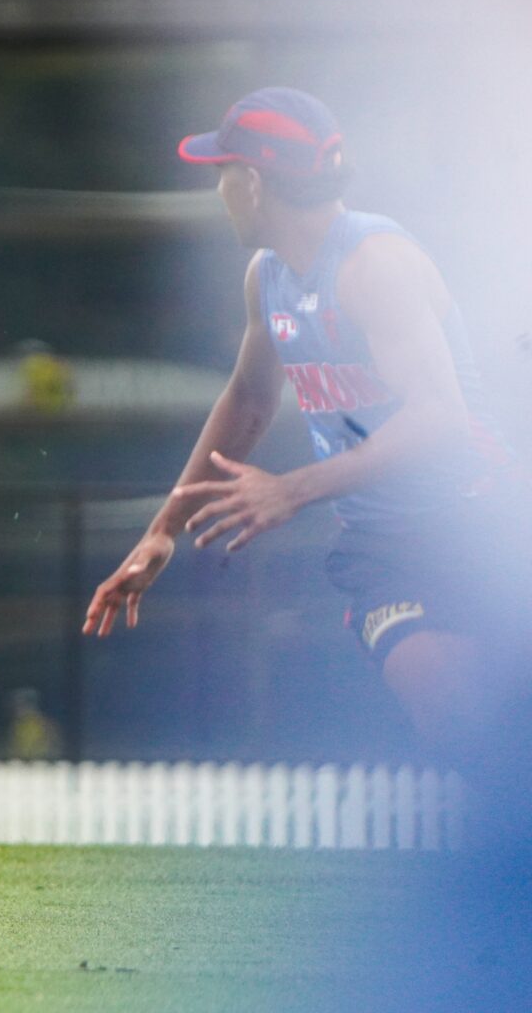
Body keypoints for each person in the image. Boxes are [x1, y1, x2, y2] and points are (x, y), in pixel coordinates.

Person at [85, 86, 531, 785]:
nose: (220, 190)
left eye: (223, 172)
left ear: (254, 182)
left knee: (492, 718)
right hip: (385, 546)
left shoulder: (374, 265)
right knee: (448, 708)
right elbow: (249, 398)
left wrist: (292, 489)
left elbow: (439, 417)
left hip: (484, 522)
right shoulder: (267, 277)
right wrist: (163, 529)